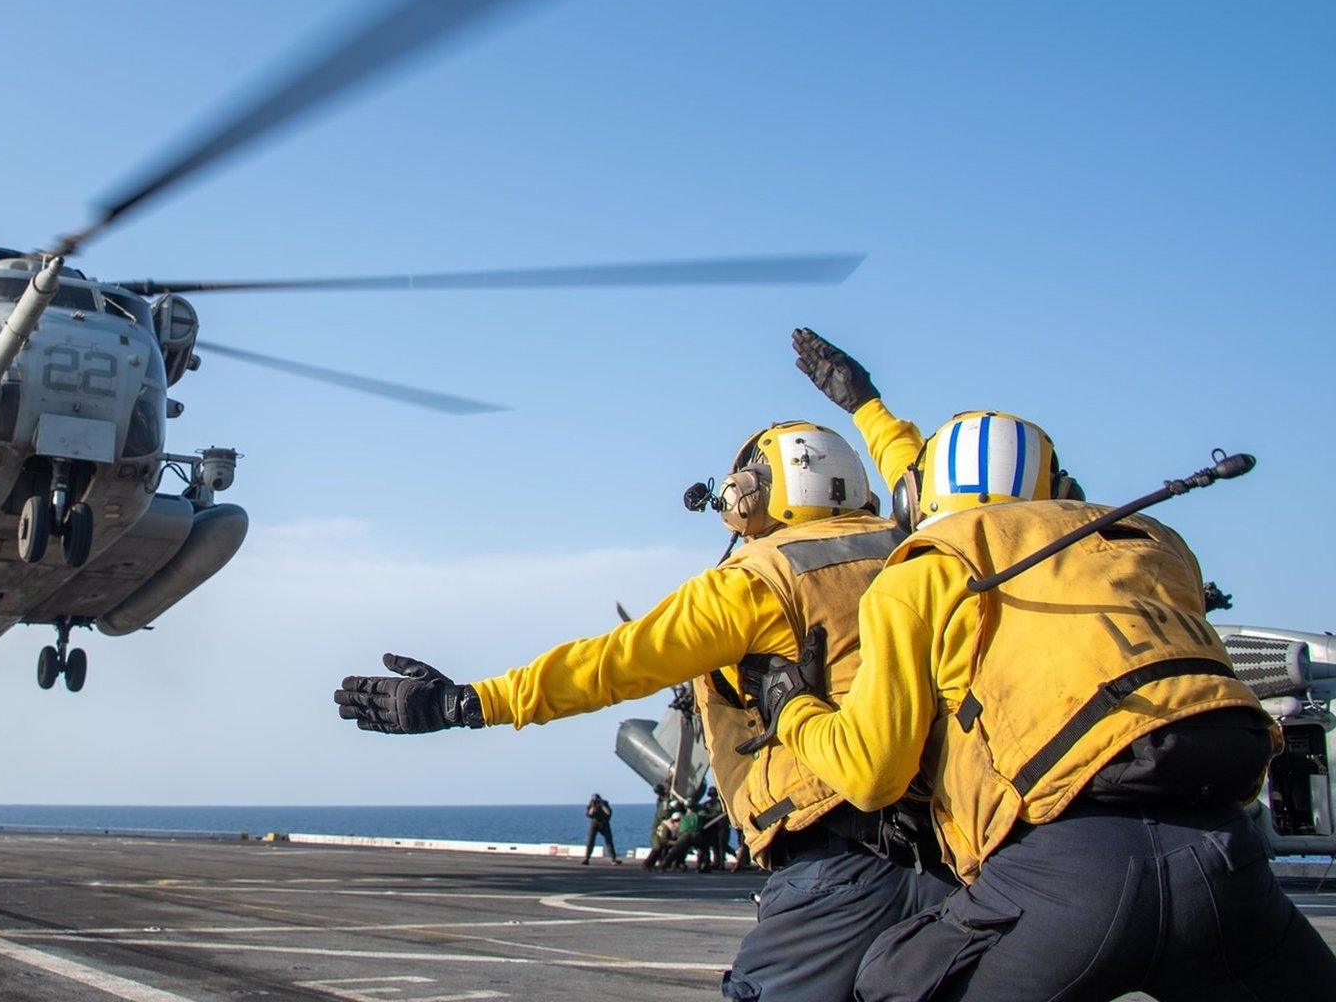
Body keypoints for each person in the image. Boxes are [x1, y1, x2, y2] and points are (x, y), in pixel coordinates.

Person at [740, 368, 1336, 1000]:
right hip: (1228, 864)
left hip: (1063, 875)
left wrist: (790, 704)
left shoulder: (924, 568)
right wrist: (867, 406)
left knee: (891, 981)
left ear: (916, 502)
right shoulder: (1154, 547)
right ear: (1064, 489)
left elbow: (871, 772)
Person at [333, 419, 951, 1002]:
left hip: (836, 860)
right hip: (955, 852)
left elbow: (616, 663)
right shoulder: (917, 547)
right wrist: (869, 405)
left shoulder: (756, 582)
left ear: (751, 496)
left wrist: (466, 702)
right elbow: (914, 466)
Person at [583, 793, 620, 865]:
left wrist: (602, 804)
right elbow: (589, 814)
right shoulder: (591, 804)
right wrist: (593, 806)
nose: (595, 800)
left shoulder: (605, 803)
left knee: (609, 841)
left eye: (597, 799)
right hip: (594, 823)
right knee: (590, 841)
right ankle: (587, 859)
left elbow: (608, 812)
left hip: (604, 823)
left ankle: (613, 860)